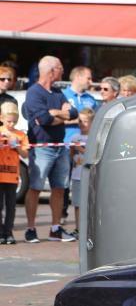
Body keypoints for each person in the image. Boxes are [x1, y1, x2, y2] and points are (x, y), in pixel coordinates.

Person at [22, 56, 76, 243]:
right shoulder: (34, 93)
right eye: (60, 68)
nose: (63, 71)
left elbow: (73, 113)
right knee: (35, 188)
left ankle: (55, 228)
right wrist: (62, 114)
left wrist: (55, 113)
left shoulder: (58, 92)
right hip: (41, 148)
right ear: (51, 71)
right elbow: (43, 119)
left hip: (59, 146)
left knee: (59, 188)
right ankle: (30, 229)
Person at [0, 102, 28, 244]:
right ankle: (0, 233)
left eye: (14, 122)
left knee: (11, 206)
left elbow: (25, 154)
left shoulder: (20, 134)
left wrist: (16, 145)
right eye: (8, 121)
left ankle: (8, 232)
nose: (11, 124)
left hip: (12, 176)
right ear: (1, 118)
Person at [69, 108, 93, 236]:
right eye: (80, 121)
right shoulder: (75, 137)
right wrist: (73, 149)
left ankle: (88, 229)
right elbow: (71, 155)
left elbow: (92, 155)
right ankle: (78, 228)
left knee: (89, 203)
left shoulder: (93, 138)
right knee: (77, 203)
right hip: (77, 175)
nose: (82, 124)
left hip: (89, 176)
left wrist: (81, 149)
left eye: (85, 121)